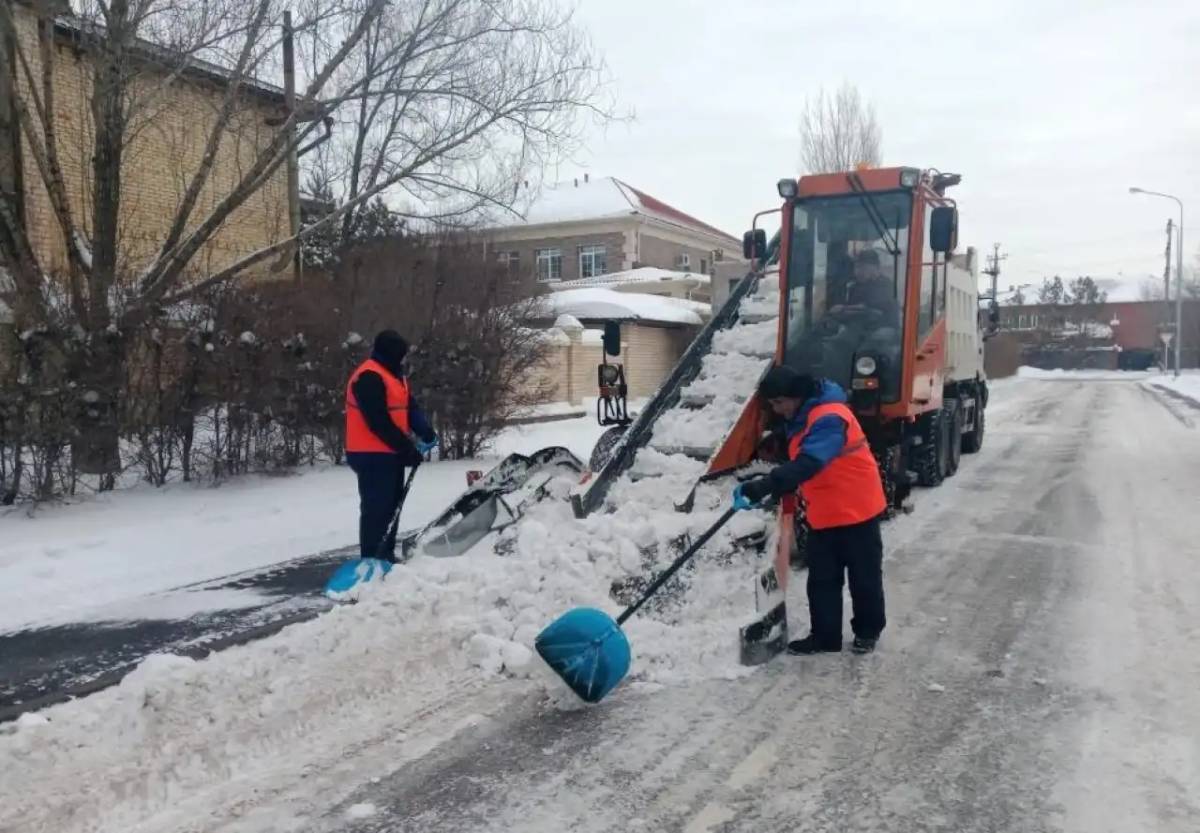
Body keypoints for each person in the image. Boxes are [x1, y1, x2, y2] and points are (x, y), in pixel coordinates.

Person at [732, 365, 887, 655]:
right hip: (825, 511)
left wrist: (766, 484)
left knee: (863, 577)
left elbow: (810, 461)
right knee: (822, 579)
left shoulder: (830, 417)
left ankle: (868, 632)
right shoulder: (802, 417)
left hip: (857, 509)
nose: (777, 409)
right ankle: (825, 638)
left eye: (779, 402)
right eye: (772, 404)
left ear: (796, 395)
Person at [344, 330, 438, 564]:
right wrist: (406, 449)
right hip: (369, 454)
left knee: (393, 506)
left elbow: (408, 406)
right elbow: (378, 421)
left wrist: (424, 430)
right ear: (390, 353)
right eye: (401, 355)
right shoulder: (368, 377)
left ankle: (385, 557)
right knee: (377, 508)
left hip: (389, 452)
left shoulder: (394, 375)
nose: (403, 359)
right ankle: (371, 560)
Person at [831, 248, 899, 327]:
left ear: (876, 268)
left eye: (863, 267)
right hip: (861, 327)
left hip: (883, 326)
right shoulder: (855, 286)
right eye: (856, 267)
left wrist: (843, 308)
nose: (858, 272)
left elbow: (866, 307)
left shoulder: (885, 285)